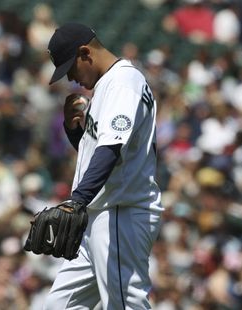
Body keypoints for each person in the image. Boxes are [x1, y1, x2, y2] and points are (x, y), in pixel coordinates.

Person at [43, 23, 164, 309]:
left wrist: (76, 201)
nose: (72, 79)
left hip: (120, 212)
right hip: (100, 212)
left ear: (86, 53)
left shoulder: (123, 82)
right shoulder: (110, 83)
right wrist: (76, 132)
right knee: (59, 306)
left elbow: (111, 150)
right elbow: (103, 155)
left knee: (125, 305)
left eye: (71, 69)